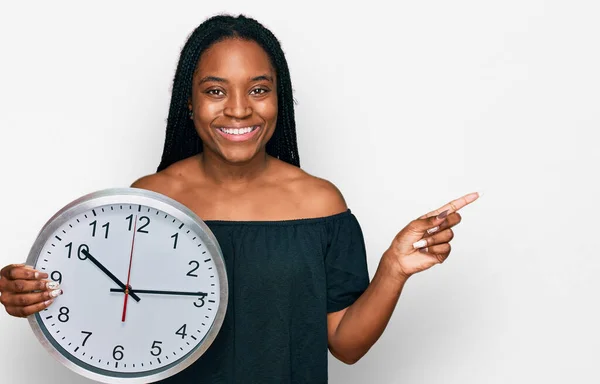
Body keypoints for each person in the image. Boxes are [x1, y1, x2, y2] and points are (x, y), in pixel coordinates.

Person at [0, 14, 479, 383]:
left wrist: (394, 268)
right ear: (189, 103)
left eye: (258, 89)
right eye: (215, 90)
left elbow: (346, 345)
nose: (238, 108)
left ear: (279, 99)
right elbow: (106, 307)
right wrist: (29, 292)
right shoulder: (150, 200)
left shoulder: (321, 203)